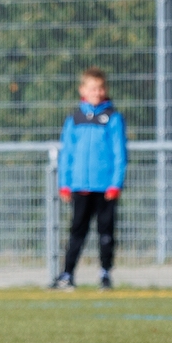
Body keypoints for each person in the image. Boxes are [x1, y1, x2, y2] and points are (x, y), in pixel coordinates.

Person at [52, 67, 127, 290]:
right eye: (92, 88)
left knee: (106, 232)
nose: (97, 92)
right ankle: (67, 275)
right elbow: (67, 154)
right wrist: (64, 184)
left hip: (105, 188)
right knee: (77, 232)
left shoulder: (112, 118)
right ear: (83, 90)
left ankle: (105, 274)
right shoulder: (74, 119)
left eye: (100, 88)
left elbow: (119, 153)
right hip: (80, 185)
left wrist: (116, 183)